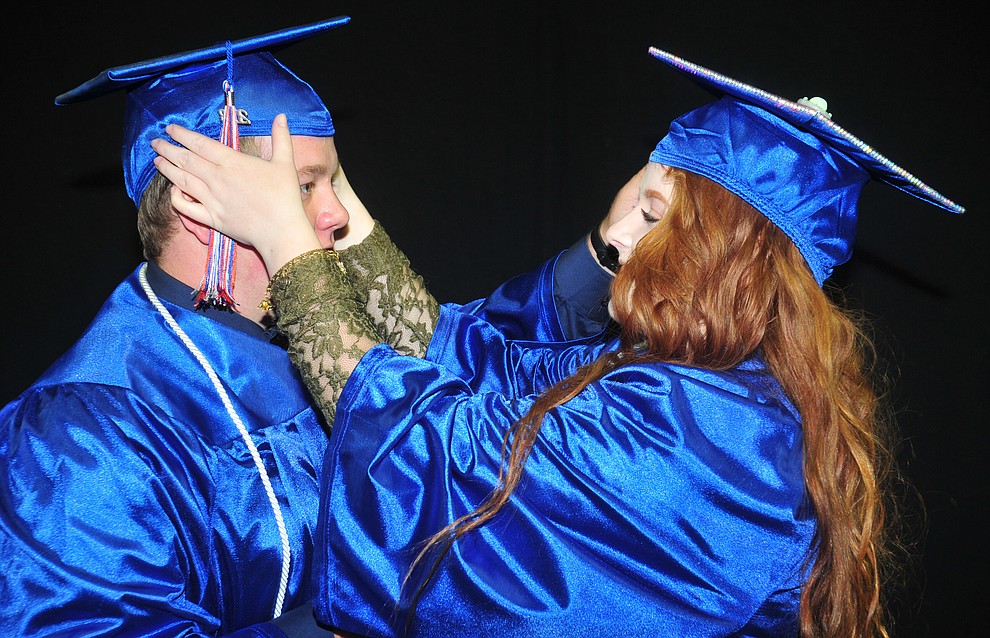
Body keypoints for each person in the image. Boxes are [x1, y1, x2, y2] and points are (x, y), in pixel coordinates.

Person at [153, 47, 964, 637]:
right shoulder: (703, 378)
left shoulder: (723, 436)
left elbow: (445, 463)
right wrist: (334, 196)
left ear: (717, 253)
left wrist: (288, 240)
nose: (616, 234)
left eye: (653, 213)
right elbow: (475, 362)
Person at [0, 17, 362, 637]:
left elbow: (472, 352)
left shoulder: (318, 344)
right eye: (307, 186)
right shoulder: (79, 436)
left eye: (334, 182)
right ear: (202, 208)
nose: (337, 214)